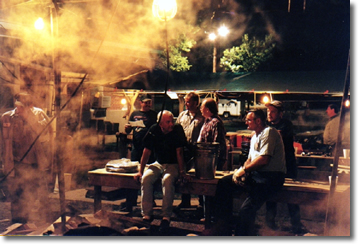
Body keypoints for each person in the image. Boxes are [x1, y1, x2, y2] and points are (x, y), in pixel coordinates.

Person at [202, 109, 286, 236]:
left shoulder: (269, 132)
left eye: (248, 120)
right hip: (257, 175)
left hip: (271, 177)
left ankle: (242, 236)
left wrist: (245, 170)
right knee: (224, 183)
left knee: (246, 210)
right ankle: (222, 224)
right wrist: (240, 171)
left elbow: (264, 159)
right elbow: (250, 159)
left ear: (258, 121)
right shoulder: (255, 136)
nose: (246, 122)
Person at [134, 110, 190, 233]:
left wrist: (182, 172)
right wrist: (140, 171)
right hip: (158, 163)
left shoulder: (177, 130)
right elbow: (146, 151)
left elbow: (179, 152)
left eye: (172, 121)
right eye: (168, 122)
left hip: (173, 164)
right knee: (146, 178)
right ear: (161, 124)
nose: (171, 124)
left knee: (168, 179)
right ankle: (147, 215)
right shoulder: (154, 130)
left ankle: (166, 216)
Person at [0, 92, 53, 223]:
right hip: (16, 162)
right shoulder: (7, 117)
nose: (19, 109)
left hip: (35, 163)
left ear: (30, 105)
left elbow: (45, 133)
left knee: (35, 192)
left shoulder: (39, 114)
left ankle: (37, 221)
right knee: (17, 193)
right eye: (17, 105)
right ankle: (18, 222)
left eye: (22, 106)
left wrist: (28, 118)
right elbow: (2, 141)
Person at [265, 100, 307, 234]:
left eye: (273, 112)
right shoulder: (267, 125)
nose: (270, 114)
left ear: (280, 113)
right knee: (270, 196)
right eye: (268, 111)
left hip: (288, 165)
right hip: (274, 166)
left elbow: (278, 136)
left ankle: (296, 225)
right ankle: (269, 225)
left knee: (292, 196)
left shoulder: (286, 125)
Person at [122, 93, 157, 212]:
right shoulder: (134, 114)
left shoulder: (154, 115)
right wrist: (127, 128)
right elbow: (127, 130)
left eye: (149, 102)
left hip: (149, 149)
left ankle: (149, 200)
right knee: (133, 174)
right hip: (136, 149)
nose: (147, 104)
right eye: (145, 102)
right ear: (141, 103)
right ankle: (131, 200)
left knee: (149, 175)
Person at [175, 92, 204, 209]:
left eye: (188, 101)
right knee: (184, 173)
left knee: (200, 175)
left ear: (196, 103)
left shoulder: (202, 116)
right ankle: (185, 200)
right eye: (186, 101)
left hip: (197, 149)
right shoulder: (182, 115)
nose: (186, 104)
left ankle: (202, 202)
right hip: (184, 149)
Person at [198, 98, 226, 170]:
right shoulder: (206, 121)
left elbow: (217, 144)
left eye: (202, 107)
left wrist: (216, 162)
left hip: (211, 161)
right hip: (205, 159)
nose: (200, 109)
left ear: (207, 109)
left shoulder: (215, 123)